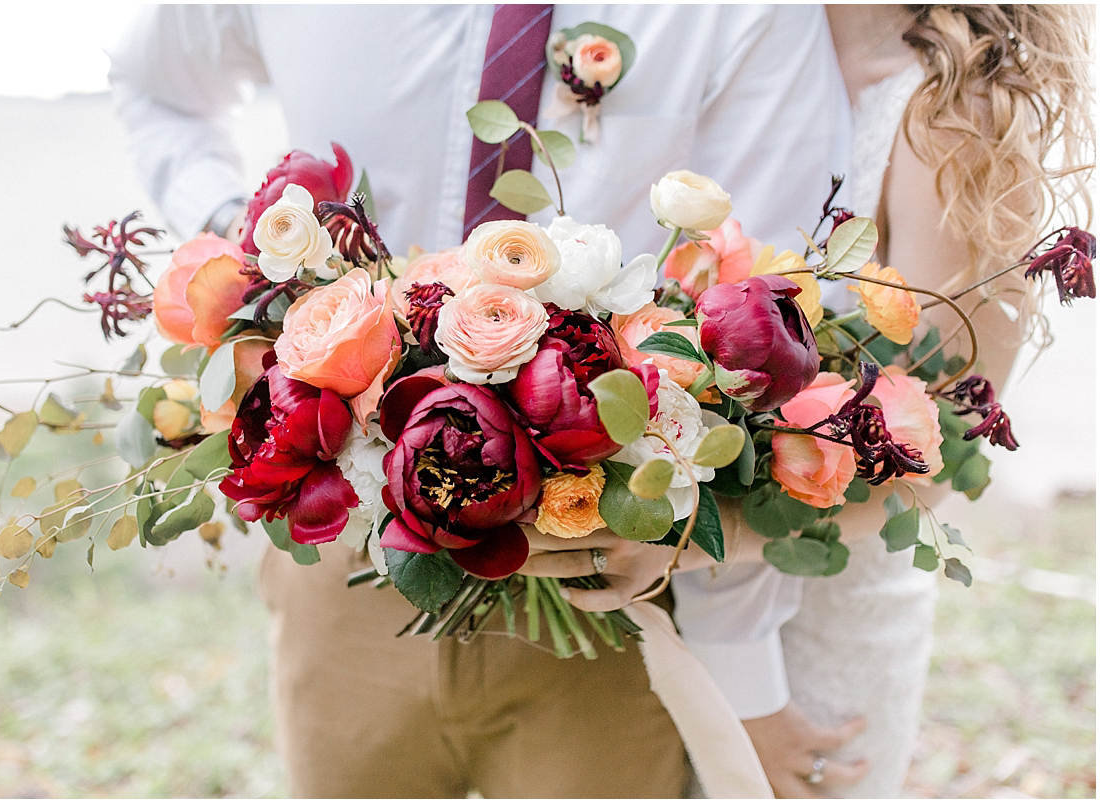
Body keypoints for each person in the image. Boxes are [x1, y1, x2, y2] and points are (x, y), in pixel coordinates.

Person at [107, 4, 855, 797]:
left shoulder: (737, 12)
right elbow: (152, 81)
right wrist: (245, 248)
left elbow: (770, 337)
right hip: (347, 567)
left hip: (603, 595)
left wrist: (743, 683)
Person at [669, 4, 1094, 797]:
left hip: (824, 617)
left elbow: (936, 446)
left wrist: (687, 542)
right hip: (691, 602)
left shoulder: (956, 115)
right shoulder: (753, 42)